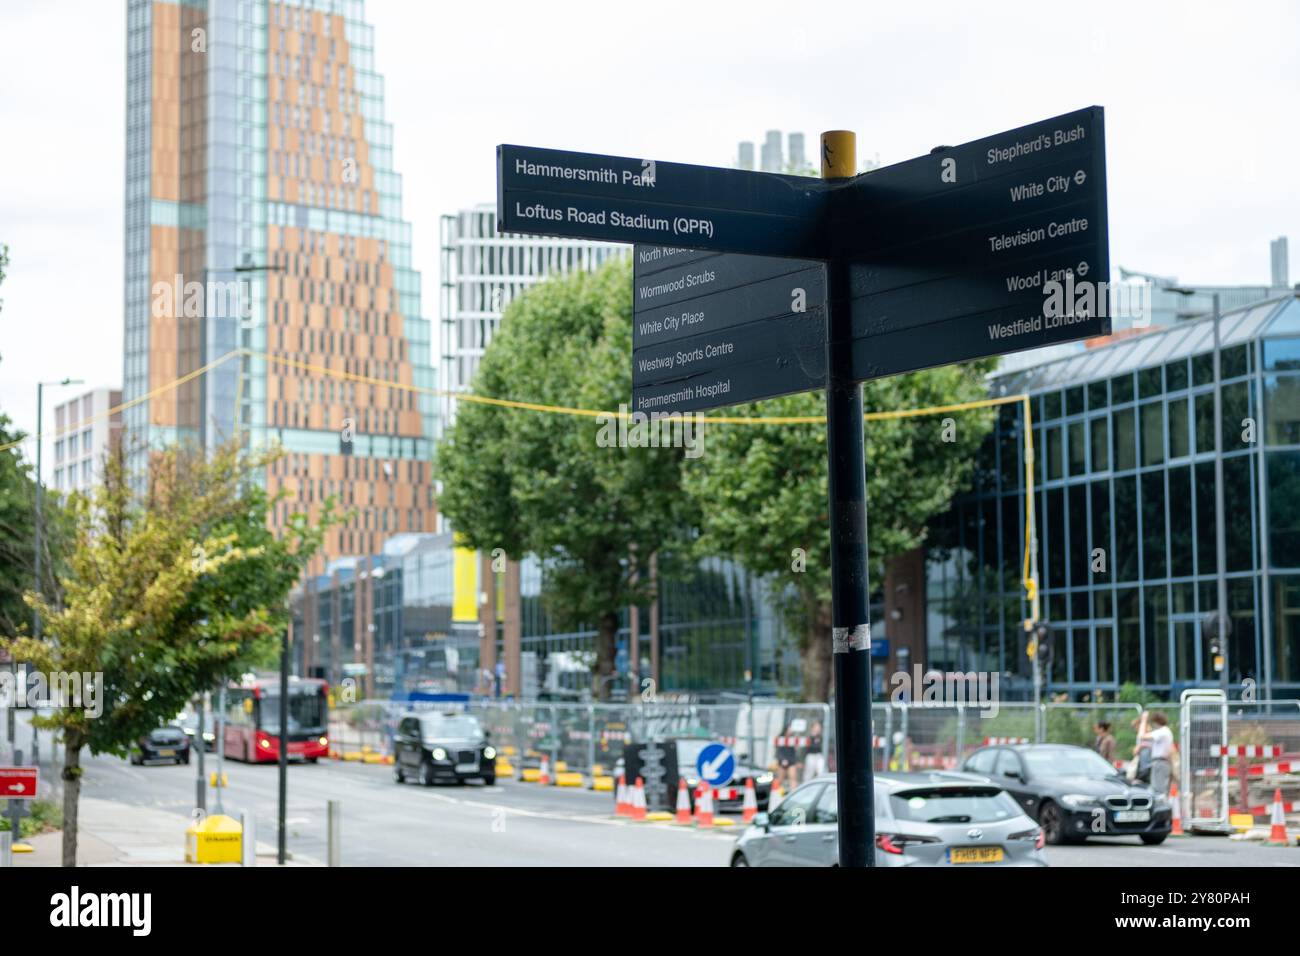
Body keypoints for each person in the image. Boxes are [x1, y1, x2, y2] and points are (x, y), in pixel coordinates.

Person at [1140, 711, 1175, 796]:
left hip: (1160, 762)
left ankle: (1161, 808)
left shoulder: (1162, 731)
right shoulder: (1165, 732)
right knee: (1159, 789)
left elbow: (1142, 736)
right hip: (1162, 762)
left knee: (1158, 790)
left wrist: (1143, 720)